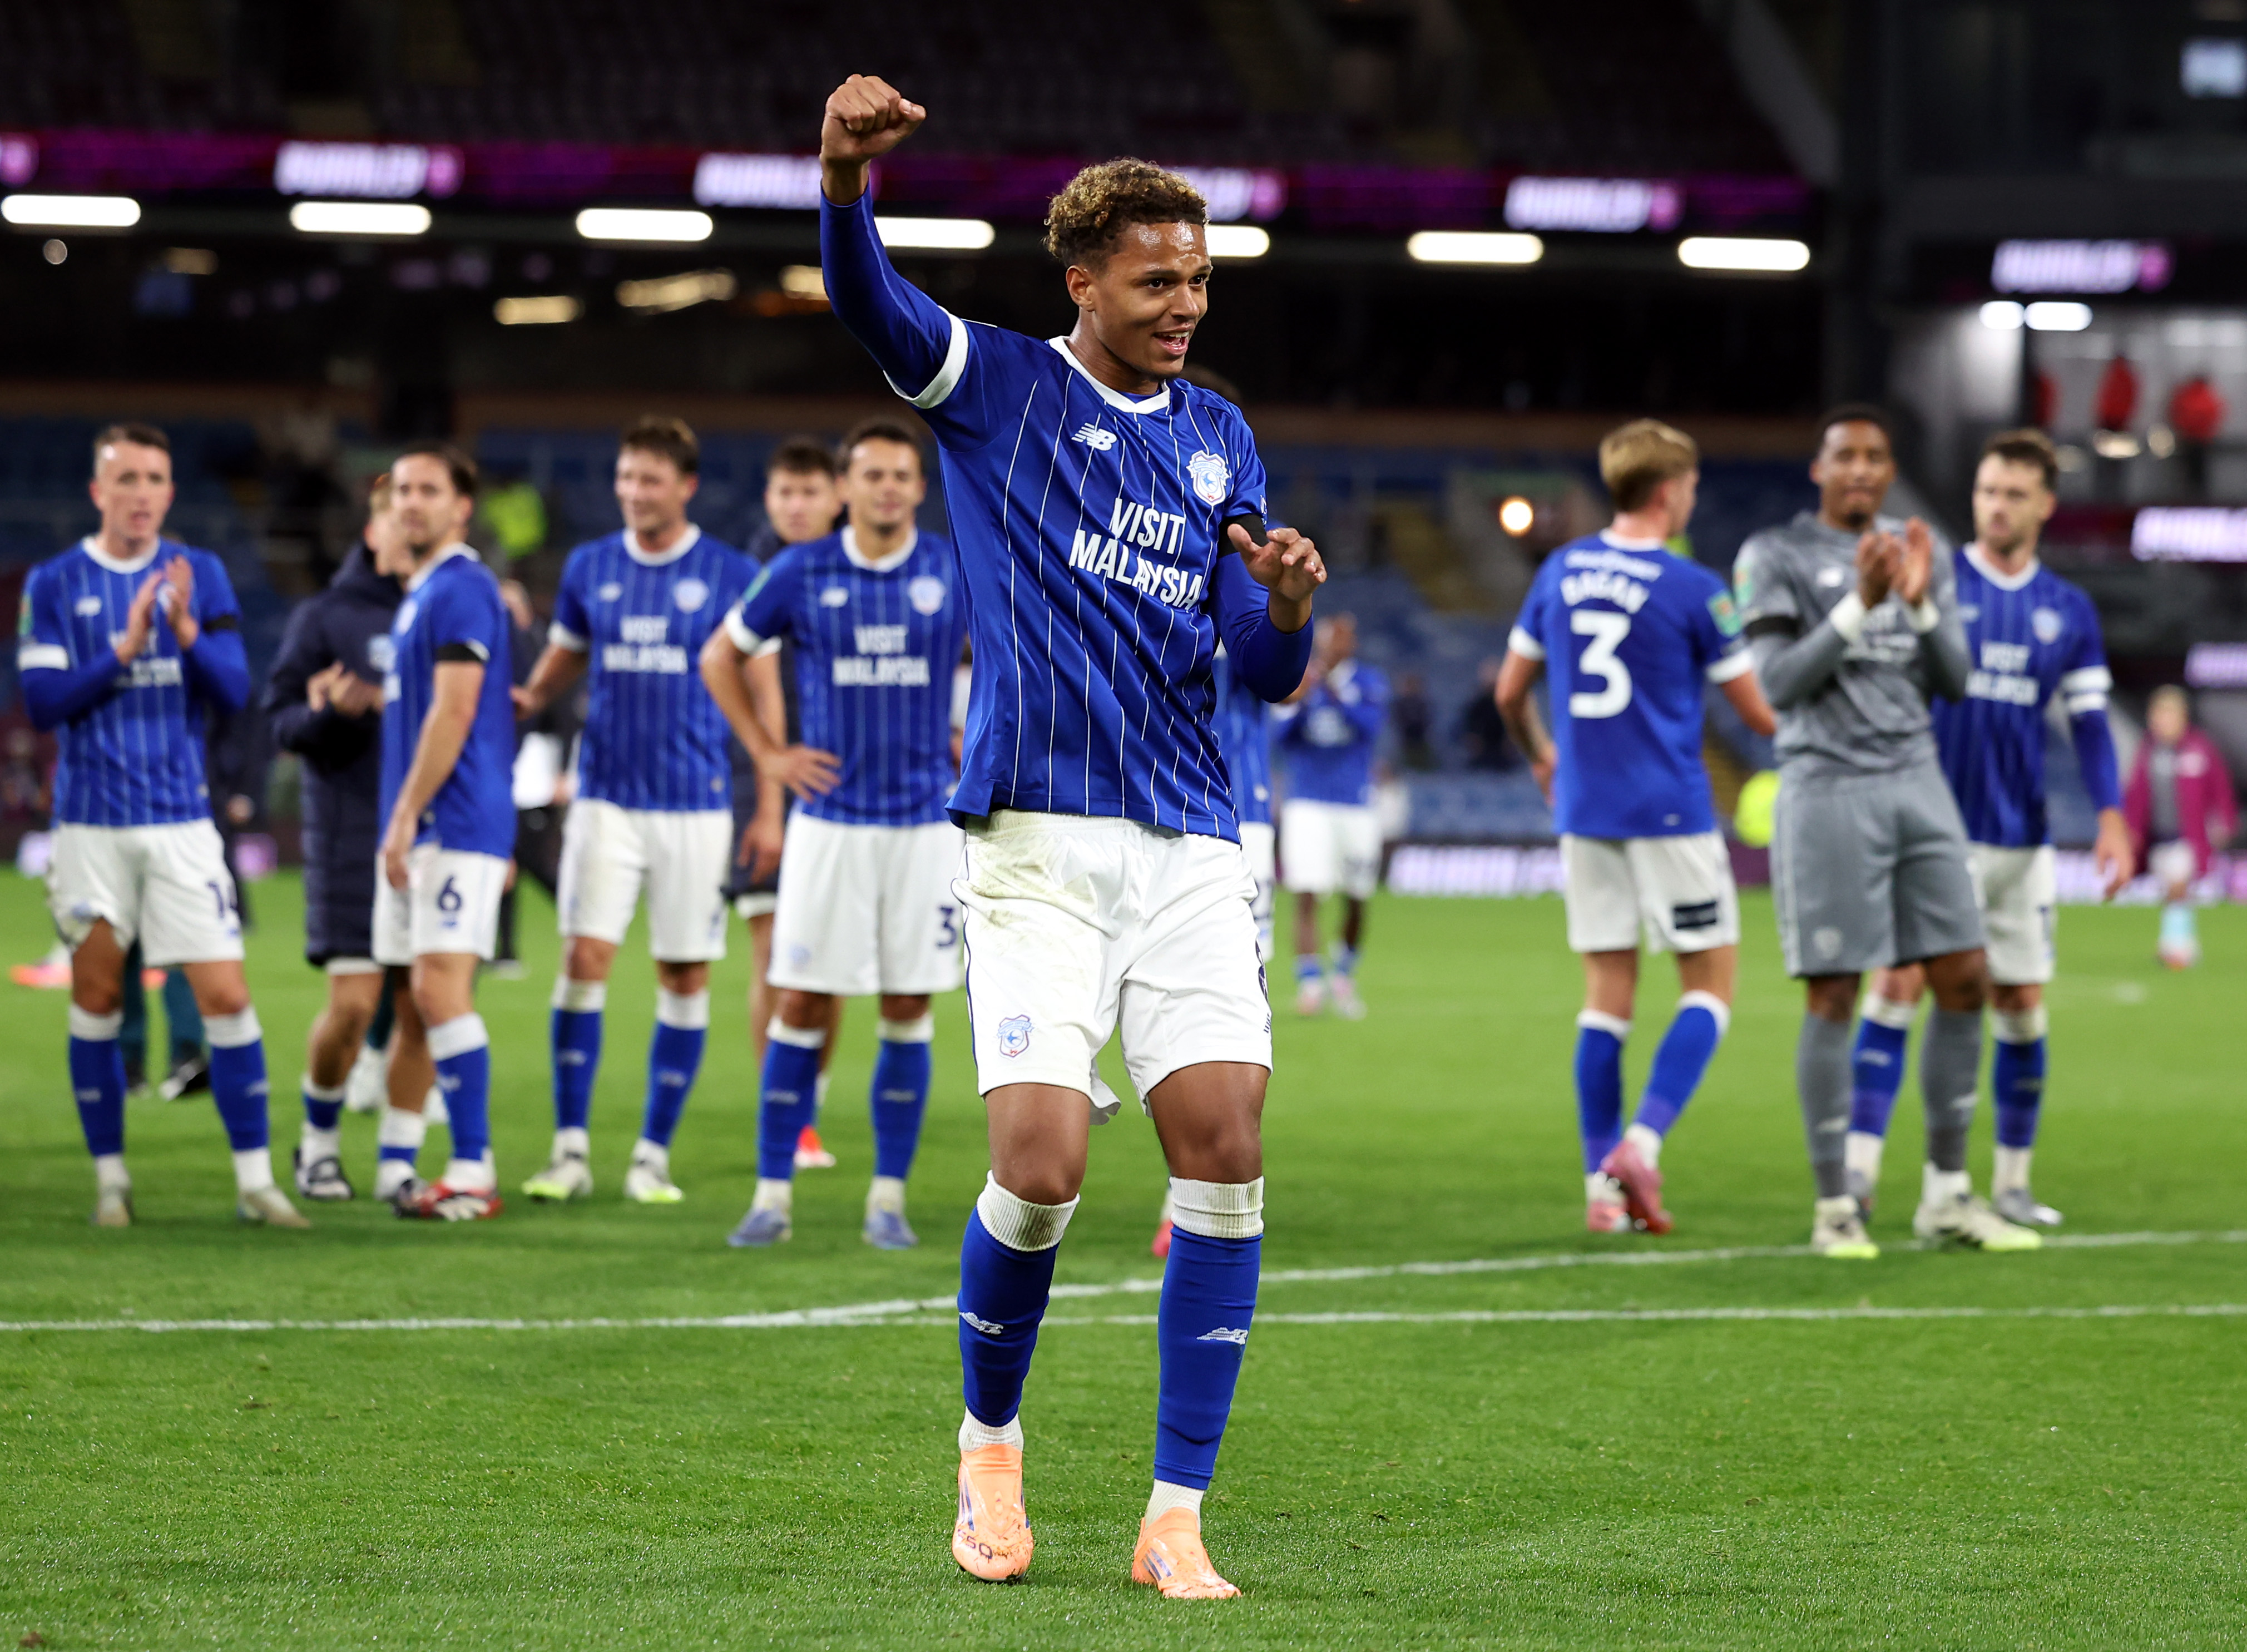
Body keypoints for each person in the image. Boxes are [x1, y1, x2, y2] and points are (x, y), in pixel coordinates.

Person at [818, 75, 1323, 1596]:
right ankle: (989, 1446)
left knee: (1223, 1154)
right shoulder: (1000, 387)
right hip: (1035, 841)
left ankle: (1176, 1516)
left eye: (1201, 280)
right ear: (1084, 278)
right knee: (1038, 1169)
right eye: (1158, 280)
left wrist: (1286, 606)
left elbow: (1257, 663)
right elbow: (872, 303)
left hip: (1189, 843)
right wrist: (844, 179)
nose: (1185, 303)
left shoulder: (1220, 436)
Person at [1735, 405, 2032, 1257]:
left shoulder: (1916, 549)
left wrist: (1920, 603)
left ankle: (1947, 1194)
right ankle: (1836, 1207)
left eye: (1877, 457)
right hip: (1828, 786)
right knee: (1835, 991)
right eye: (1847, 456)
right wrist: (1861, 606)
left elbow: (1958, 679)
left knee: (1967, 973)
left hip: (1917, 779)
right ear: (1818, 468)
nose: (1864, 470)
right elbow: (1780, 686)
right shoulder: (1774, 554)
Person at [1843, 431, 2133, 1230]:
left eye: (2012, 493)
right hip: (1935, 830)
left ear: (2045, 504)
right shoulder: (1932, 579)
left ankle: (2010, 1181)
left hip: (2023, 839)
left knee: (2022, 999)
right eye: (1985, 490)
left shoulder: (2067, 609)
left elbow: (2090, 724)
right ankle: (1859, 1179)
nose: (1995, 506)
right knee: (1899, 984)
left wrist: (2111, 816)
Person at [19, 422, 304, 1228]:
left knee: (227, 991)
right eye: (126, 479)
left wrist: (181, 635)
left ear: (170, 493)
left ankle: (255, 1182)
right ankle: (112, 1180)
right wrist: (125, 645)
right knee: (99, 990)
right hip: (91, 824)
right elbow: (43, 704)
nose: (140, 493)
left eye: (154, 479)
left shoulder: (201, 575)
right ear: (98, 492)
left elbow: (233, 689)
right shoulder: (55, 581)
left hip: (182, 821)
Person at [1495, 421, 1776, 1235]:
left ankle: (1599, 1187)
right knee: (1711, 986)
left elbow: (1511, 693)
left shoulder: (1560, 569)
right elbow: (1755, 711)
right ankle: (1643, 1143)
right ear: (1667, 492)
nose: (1692, 495)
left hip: (1585, 810)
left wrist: (1544, 759)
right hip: (1671, 812)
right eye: (1688, 485)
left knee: (1606, 1000)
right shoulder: (1696, 586)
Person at [701, 418, 968, 1249]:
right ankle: (772, 1194)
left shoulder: (955, 570)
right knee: (802, 1002)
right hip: (830, 827)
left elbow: (1012, 660)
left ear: (920, 489)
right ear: (846, 487)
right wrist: (769, 756)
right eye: (872, 475)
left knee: (905, 1003)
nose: (887, 488)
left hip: (924, 827)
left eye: (901, 475)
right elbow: (720, 655)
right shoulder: (802, 569)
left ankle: (887, 1198)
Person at [510, 417, 757, 1205]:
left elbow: (761, 677)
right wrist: (521, 702)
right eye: (624, 478)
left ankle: (652, 1154)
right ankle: (570, 1150)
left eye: (649, 480)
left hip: (697, 803)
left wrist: (775, 779)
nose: (633, 493)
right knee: (584, 962)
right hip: (605, 799)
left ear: (684, 486)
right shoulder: (589, 566)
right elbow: (565, 657)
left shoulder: (728, 572)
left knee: (682, 972)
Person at [373, 443, 517, 1221]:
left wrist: (401, 813)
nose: (412, 502)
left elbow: (454, 710)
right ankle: (398, 1158)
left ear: (462, 506)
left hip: (454, 820)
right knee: (410, 999)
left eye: (429, 489)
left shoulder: (460, 586)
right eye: (402, 489)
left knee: (436, 988)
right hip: (428, 822)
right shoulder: (421, 592)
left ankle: (473, 1165)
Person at [261, 472, 407, 1200]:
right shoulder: (325, 616)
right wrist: (336, 716)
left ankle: (400, 1161)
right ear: (373, 529)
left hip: (438, 834)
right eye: (395, 518)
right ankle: (318, 1144)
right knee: (352, 1005)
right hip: (352, 829)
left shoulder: (453, 606)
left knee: (423, 1006)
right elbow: (281, 719)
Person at [730, 438, 844, 1169]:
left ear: (835, 496)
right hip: (763, 777)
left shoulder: (862, 569)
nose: (795, 506)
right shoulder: (752, 576)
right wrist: (766, 796)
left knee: (828, 965)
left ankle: (811, 1092)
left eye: (808, 492)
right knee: (774, 953)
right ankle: (789, 1112)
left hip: (844, 781)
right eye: (783, 493)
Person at [1151, 639, 1279, 1259]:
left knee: (1228, 1011)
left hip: (1241, 814)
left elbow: (1290, 679)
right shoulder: (1151, 574)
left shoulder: (1251, 584)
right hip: (1163, 806)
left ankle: (1185, 1196)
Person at [1273, 613, 1385, 1018]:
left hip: (1355, 804)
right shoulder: (1302, 681)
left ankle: (1344, 974)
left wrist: (1334, 692)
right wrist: (1303, 701)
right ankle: (1310, 984)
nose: (1333, 649)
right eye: (1328, 642)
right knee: (1306, 891)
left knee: (1356, 897)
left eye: (1340, 642)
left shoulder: (1368, 683)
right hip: (1307, 801)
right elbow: (1281, 738)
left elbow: (1370, 728)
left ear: (1350, 645)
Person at [2126, 686, 2235, 968]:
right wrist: (2132, 829)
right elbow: (2136, 795)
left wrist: (2225, 819)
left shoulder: (2200, 749)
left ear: (2181, 716)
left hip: (2190, 837)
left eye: (2166, 713)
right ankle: (2182, 944)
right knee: (2172, 893)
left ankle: (2175, 949)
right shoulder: (2149, 751)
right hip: (2158, 837)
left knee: (2178, 887)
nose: (2160, 720)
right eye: (2157, 713)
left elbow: (2220, 788)